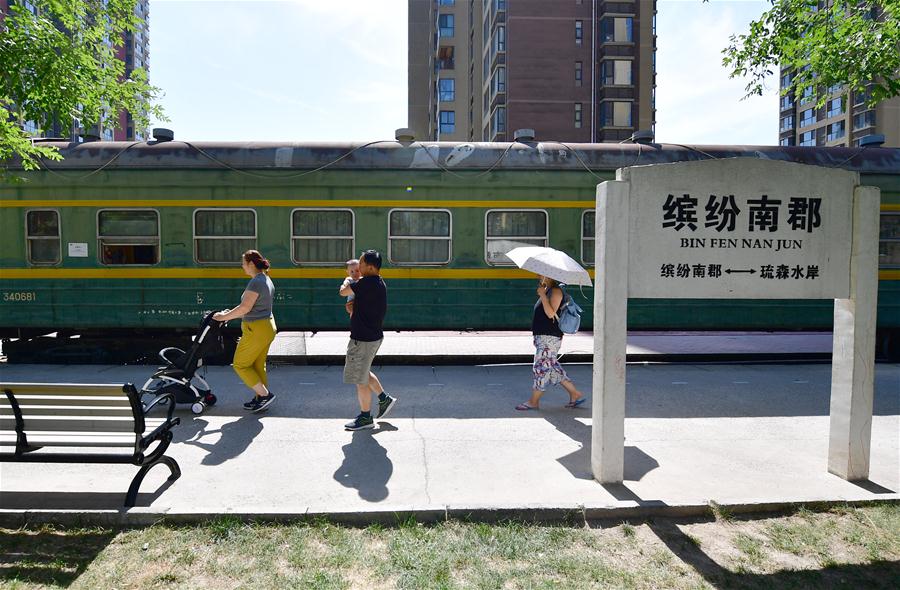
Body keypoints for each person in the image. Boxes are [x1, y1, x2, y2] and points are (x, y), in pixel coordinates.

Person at [339, 250, 397, 430]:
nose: (358, 268)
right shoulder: (379, 282)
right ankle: (384, 398)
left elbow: (342, 292)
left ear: (370, 267)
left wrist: (347, 281)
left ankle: (365, 417)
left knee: (360, 379)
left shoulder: (365, 283)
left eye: (361, 264)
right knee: (363, 372)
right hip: (372, 336)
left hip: (362, 339)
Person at [213, 250, 277, 413]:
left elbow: (245, 307)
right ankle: (260, 399)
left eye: (243, 263)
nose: (242, 267)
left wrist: (223, 317)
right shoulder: (265, 279)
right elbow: (247, 306)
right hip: (266, 326)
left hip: (256, 328)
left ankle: (264, 395)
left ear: (251, 264)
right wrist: (227, 315)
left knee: (240, 364)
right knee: (257, 365)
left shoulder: (256, 282)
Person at [516, 276, 586, 411]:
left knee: (541, 368)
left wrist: (542, 295)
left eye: (540, 273)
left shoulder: (555, 291)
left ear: (549, 276)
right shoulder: (548, 290)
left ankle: (533, 401)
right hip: (544, 337)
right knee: (552, 367)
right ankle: (574, 393)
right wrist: (543, 293)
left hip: (549, 337)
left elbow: (550, 313)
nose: (537, 276)